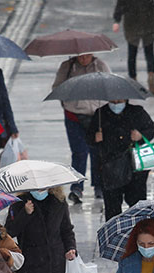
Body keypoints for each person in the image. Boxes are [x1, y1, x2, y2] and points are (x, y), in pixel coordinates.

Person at [52, 54, 111, 205]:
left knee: (98, 152)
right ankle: (77, 188)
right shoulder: (67, 67)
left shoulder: (101, 66)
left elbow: (110, 87)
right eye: (81, 56)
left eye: (87, 55)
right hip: (74, 116)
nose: (84, 58)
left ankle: (99, 186)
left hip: (97, 116)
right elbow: (57, 88)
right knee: (79, 152)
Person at [87, 98, 154, 221]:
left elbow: (150, 129)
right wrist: (95, 137)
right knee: (112, 207)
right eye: (113, 100)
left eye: (120, 100)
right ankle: (113, 231)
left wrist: (140, 136)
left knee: (138, 205)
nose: (116, 103)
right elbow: (89, 136)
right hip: (110, 167)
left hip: (134, 166)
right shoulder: (100, 114)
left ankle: (139, 229)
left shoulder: (137, 112)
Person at [113, 0, 154, 94]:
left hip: (132, 20)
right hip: (148, 19)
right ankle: (151, 76)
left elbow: (121, 4)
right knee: (149, 52)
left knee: (132, 53)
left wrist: (117, 20)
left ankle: (133, 80)